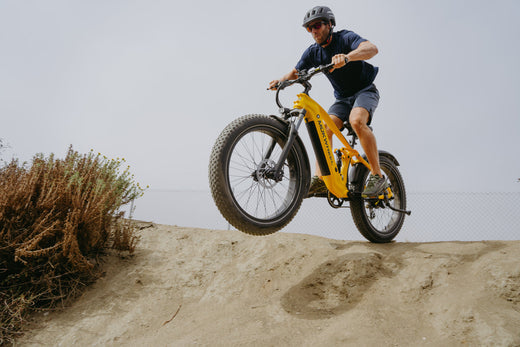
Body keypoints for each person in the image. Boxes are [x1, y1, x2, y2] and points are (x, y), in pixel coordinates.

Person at [268, 6, 386, 198]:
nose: (314, 30)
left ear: (330, 24)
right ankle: (321, 179)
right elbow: (295, 72)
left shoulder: (345, 38)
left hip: (364, 90)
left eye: (317, 25)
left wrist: (347, 57)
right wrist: (281, 82)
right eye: (309, 28)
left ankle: (377, 175)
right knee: (324, 128)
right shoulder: (313, 53)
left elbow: (371, 49)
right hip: (342, 98)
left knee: (356, 121)